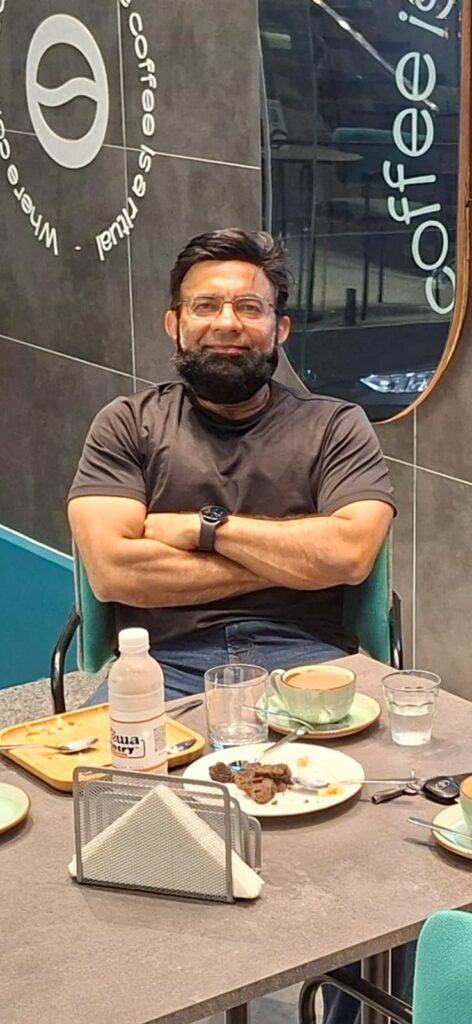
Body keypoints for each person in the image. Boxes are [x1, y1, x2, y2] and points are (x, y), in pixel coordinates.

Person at [68, 228, 408, 1024]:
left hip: (313, 669)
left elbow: (350, 553)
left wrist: (202, 528)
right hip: (162, 667)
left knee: (395, 849)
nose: (228, 322)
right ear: (174, 323)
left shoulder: (336, 426)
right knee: (118, 846)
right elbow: (114, 571)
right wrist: (294, 557)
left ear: (279, 328)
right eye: (207, 306)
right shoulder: (126, 424)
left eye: (249, 308)